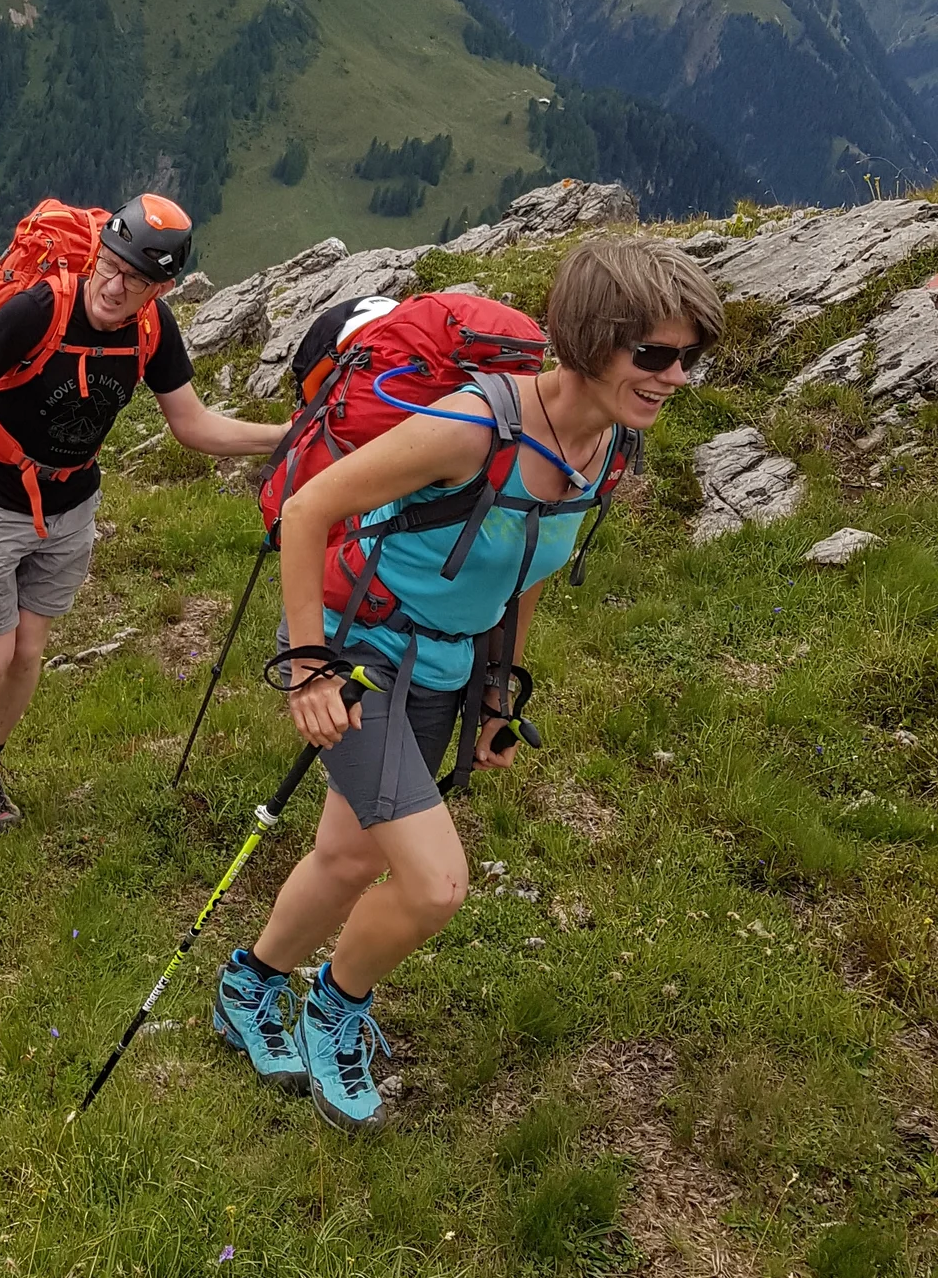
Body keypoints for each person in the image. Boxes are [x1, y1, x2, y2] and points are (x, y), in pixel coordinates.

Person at [213, 232, 725, 1129]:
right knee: (435, 885)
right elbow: (307, 510)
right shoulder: (472, 425)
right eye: (655, 354)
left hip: (449, 663)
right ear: (590, 340)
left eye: (688, 357)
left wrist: (499, 693)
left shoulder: (606, 447)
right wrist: (307, 669)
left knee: (348, 856)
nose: (675, 376)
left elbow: (520, 576)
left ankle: (246, 987)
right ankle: (337, 1005)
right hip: (363, 657)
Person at [0, 194, 290, 830]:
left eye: (136, 279)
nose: (114, 286)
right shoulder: (42, 308)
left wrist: (284, 436)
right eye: (110, 264)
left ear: (160, 287)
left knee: (27, 653)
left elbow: (192, 425)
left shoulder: (153, 330)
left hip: (71, 504)